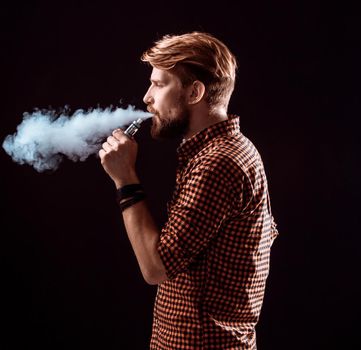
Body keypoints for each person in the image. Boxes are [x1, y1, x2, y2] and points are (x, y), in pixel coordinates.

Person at [99, 32, 278, 349]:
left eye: (159, 84)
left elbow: (156, 268)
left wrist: (124, 178)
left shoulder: (218, 164)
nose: (147, 97)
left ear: (195, 92)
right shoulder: (224, 151)